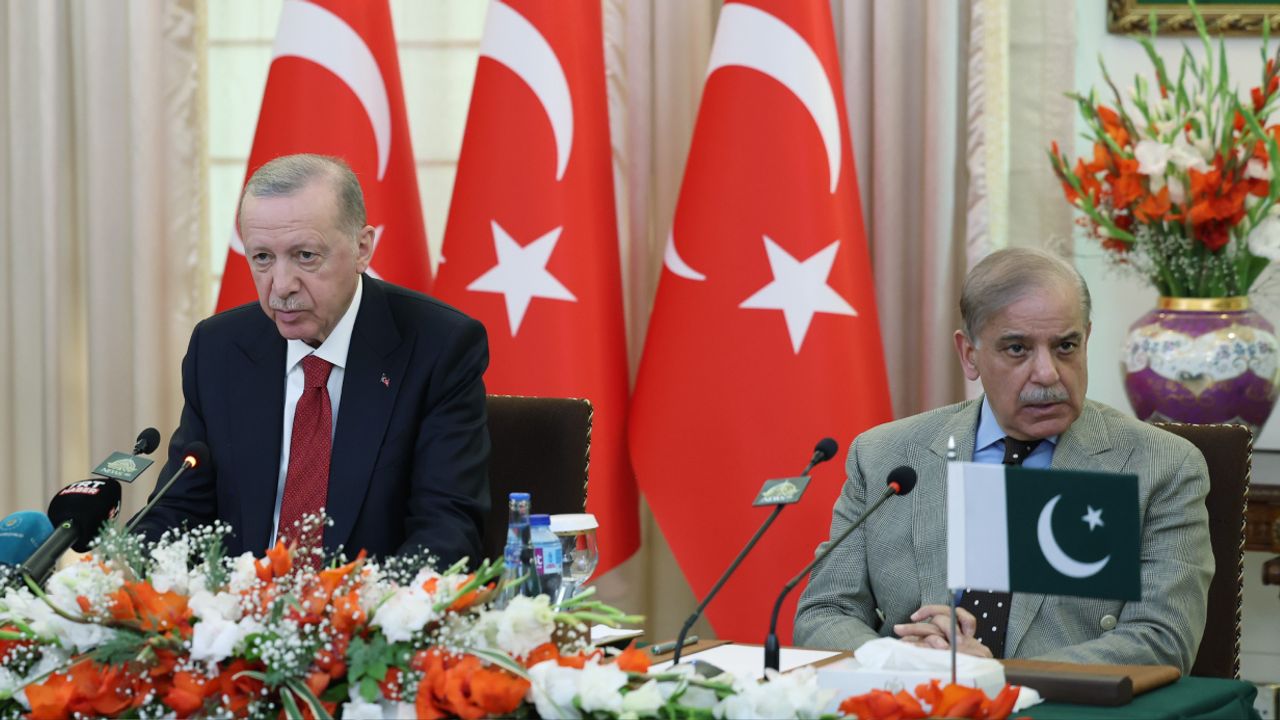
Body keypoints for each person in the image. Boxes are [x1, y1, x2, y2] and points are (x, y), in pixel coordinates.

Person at [793, 247, 1213, 674]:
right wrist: (903, 661)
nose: (1048, 373)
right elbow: (824, 612)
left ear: (1086, 339)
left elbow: (1162, 640)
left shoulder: (1160, 466)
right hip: (912, 697)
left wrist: (995, 674)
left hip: (1059, 703)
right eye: (1017, 349)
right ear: (969, 355)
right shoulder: (885, 455)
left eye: (1066, 346)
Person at [132, 154, 490, 567]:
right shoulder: (219, 349)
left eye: (305, 255)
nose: (281, 286)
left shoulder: (438, 347)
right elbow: (178, 510)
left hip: (368, 602)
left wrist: (350, 606)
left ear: (362, 249)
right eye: (262, 258)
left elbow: (447, 530)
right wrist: (118, 569)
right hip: (237, 603)